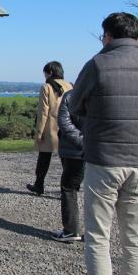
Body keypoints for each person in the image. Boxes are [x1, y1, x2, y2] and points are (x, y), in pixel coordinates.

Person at [69, 12, 138, 275]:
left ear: (107, 36)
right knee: (135, 240)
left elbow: (75, 106)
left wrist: (93, 126)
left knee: (99, 239)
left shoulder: (98, 64)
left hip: (104, 160)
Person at [26, 61, 72, 195]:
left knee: (44, 158)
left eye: (45, 73)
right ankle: (68, 188)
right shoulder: (70, 85)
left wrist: (39, 132)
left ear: (50, 72)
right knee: (66, 160)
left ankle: (39, 185)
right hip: (67, 127)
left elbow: (42, 113)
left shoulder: (46, 87)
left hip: (50, 128)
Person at [51, 89, 84, 242]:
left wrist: (82, 142)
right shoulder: (100, 94)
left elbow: (64, 121)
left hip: (73, 151)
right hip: (99, 149)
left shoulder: (71, 95)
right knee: (98, 192)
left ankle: (71, 230)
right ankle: (95, 232)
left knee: (69, 188)